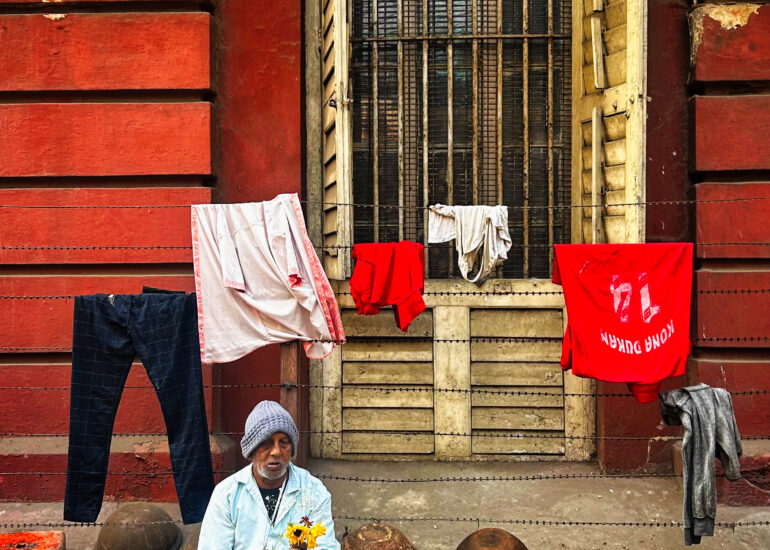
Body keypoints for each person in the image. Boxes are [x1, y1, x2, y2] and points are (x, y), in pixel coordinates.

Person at [198, 401, 340, 550]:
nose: (276, 452)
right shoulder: (227, 495)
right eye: (267, 443)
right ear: (251, 450)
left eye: (284, 443)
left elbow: (325, 546)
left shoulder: (313, 491)